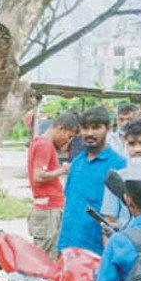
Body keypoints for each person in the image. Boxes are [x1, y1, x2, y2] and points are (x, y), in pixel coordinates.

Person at [57, 106, 127, 255]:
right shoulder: (77, 163)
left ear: (108, 128)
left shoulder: (119, 165)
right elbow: (69, 206)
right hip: (69, 246)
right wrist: (61, 247)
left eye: (96, 128)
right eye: (85, 128)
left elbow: (124, 215)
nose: (89, 133)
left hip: (99, 251)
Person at [27, 113, 79, 258]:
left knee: (53, 255)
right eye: (69, 136)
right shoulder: (44, 145)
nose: (68, 142)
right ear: (60, 128)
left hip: (50, 209)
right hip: (48, 210)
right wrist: (63, 170)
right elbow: (38, 176)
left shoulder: (42, 143)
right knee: (46, 259)